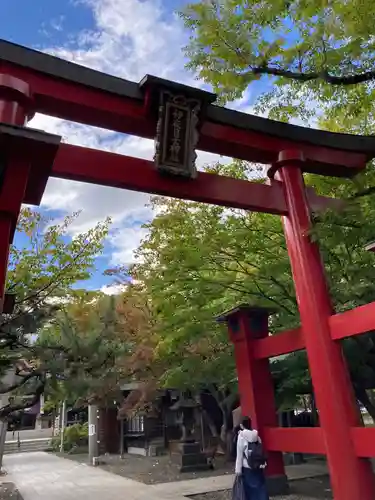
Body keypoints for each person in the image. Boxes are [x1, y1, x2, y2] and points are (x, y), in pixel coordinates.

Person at [235, 417, 269, 500]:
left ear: (241, 425)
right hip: (258, 466)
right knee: (260, 487)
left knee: (249, 491)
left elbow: (239, 454)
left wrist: (238, 470)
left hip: (247, 467)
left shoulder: (241, 437)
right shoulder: (257, 436)